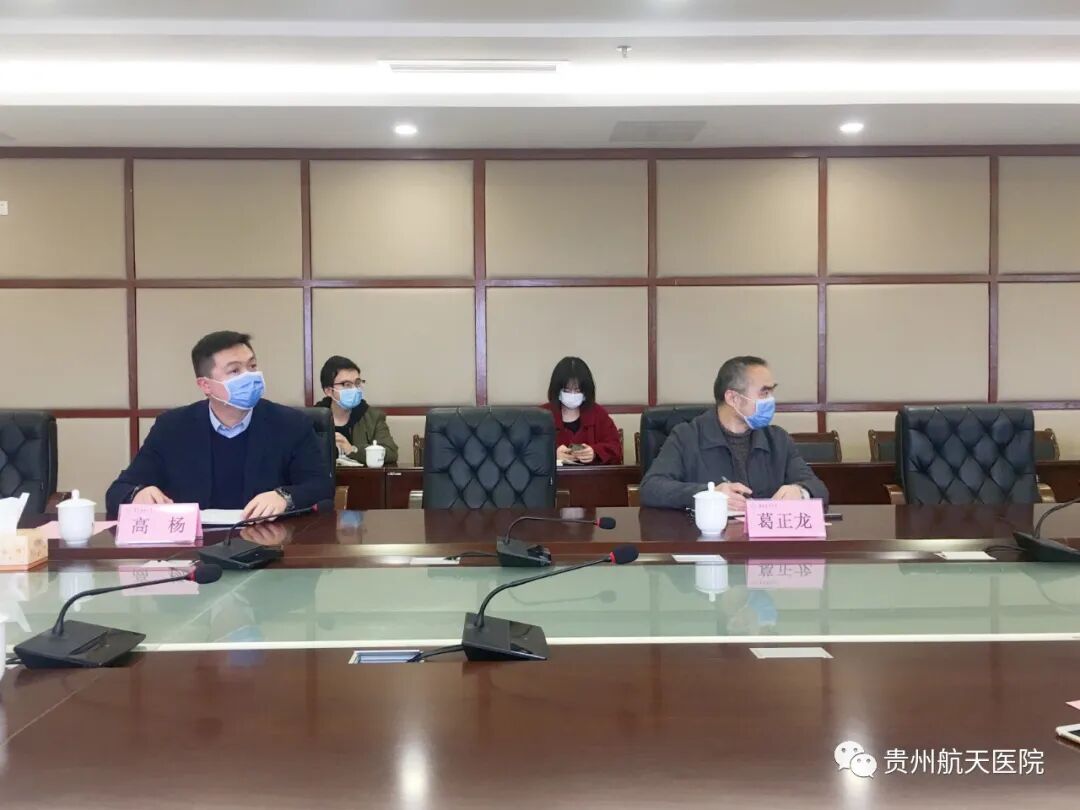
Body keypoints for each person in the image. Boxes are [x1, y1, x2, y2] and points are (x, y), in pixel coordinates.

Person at [105, 330, 333, 519]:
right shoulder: (172, 428)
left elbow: (321, 486)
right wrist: (138, 494)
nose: (250, 376)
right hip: (194, 547)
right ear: (206, 385)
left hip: (268, 543)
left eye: (252, 366)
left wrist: (284, 497)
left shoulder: (290, 424)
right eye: (235, 370)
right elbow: (118, 491)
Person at [640, 355, 827, 510]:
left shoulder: (777, 439)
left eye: (771, 392)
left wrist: (800, 491)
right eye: (764, 393)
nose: (771, 400)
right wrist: (709, 495)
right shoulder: (687, 436)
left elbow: (818, 487)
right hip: (707, 539)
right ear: (733, 398)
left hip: (765, 540)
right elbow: (651, 488)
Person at [315, 355, 398, 464]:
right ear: (328, 391)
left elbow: (391, 452)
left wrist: (352, 450)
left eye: (357, 383)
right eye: (347, 384)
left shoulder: (373, 417)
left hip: (360, 475)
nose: (354, 389)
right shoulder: (312, 419)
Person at [540, 356, 623, 466]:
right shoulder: (541, 415)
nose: (572, 395)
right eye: (567, 390)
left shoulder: (598, 413)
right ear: (557, 390)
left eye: (577, 390)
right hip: (553, 476)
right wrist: (552, 454)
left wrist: (595, 452)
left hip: (590, 476)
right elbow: (527, 453)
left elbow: (615, 449)